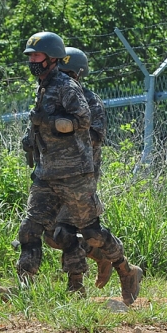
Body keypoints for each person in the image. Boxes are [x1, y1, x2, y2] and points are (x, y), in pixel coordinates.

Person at [12, 33, 142, 303]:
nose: (32, 61)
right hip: (47, 174)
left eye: (36, 56)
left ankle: (125, 270)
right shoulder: (43, 87)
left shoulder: (66, 86)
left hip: (75, 174)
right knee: (30, 229)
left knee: (91, 232)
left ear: (51, 58)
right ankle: (24, 289)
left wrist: (49, 121)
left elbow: (82, 120)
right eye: (31, 56)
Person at [60, 47, 139, 296]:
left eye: (68, 73)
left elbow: (95, 136)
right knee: (55, 234)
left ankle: (84, 283)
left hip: (82, 175)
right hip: (55, 175)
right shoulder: (52, 99)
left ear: (78, 74)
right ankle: (102, 260)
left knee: (76, 230)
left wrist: (65, 129)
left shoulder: (89, 101)